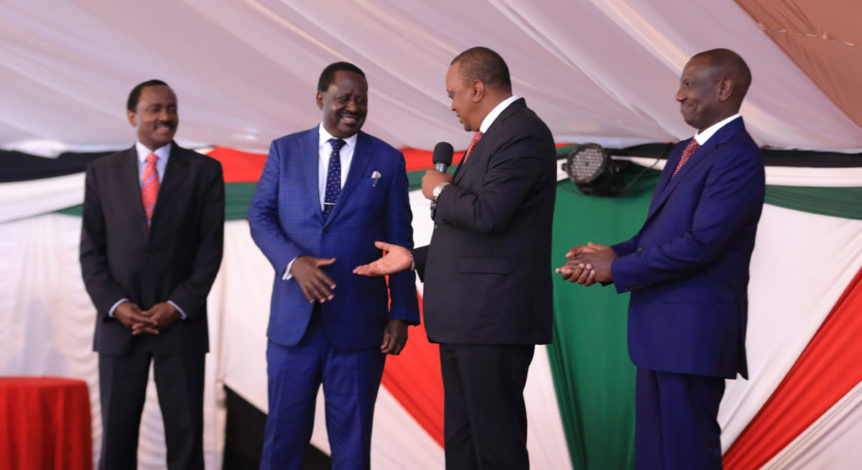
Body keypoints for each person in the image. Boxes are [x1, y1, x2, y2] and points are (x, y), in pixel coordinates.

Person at [558, 48, 764, 469]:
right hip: (660, 334)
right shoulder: (686, 150)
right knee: (655, 453)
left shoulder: (737, 156)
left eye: (689, 84)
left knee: (685, 451)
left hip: (692, 335)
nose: (677, 95)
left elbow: (702, 243)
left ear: (723, 88)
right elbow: (657, 236)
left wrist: (617, 269)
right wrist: (612, 253)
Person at [356, 47, 557, 469]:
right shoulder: (492, 136)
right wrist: (413, 259)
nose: (452, 106)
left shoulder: (522, 133)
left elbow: (488, 214)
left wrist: (442, 190)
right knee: (465, 445)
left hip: (492, 319)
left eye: (453, 95)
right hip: (470, 320)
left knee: (495, 447)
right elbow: (477, 240)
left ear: (477, 88)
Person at [247, 62, 419, 469]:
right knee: (282, 443)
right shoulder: (284, 151)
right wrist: (294, 261)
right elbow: (260, 217)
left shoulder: (388, 160)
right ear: (321, 99)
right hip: (294, 327)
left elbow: (401, 243)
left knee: (353, 446)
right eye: (344, 98)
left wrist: (402, 313)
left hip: (361, 326)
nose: (353, 108)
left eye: (361, 100)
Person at [79, 79, 225, 470]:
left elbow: (209, 251)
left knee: (186, 437)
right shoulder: (101, 172)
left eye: (172, 108)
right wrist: (117, 306)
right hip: (118, 327)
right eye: (155, 109)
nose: (165, 117)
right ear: (132, 116)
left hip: (180, 324)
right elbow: (91, 254)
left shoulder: (205, 171)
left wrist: (177, 305)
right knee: (117, 436)